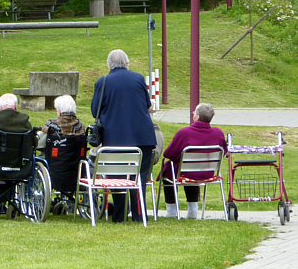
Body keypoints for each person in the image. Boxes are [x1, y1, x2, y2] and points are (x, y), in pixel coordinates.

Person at [91, 49, 156, 223]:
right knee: (139, 177)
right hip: (142, 137)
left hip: (115, 139)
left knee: (116, 177)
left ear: (109, 65)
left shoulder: (103, 82)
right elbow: (147, 104)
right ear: (127, 63)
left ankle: (119, 214)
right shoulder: (138, 78)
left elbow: (95, 111)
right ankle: (139, 215)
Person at [160, 103, 227, 219]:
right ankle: (193, 209)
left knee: (169, 169)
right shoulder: (218, 133)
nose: (193, 114)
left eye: (194, 113)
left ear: (197, 117)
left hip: (186, 172)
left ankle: (172, 211)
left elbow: (169, 154)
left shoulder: (185, 133)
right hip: (207, 172)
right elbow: (224, 151)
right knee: (190, 169)